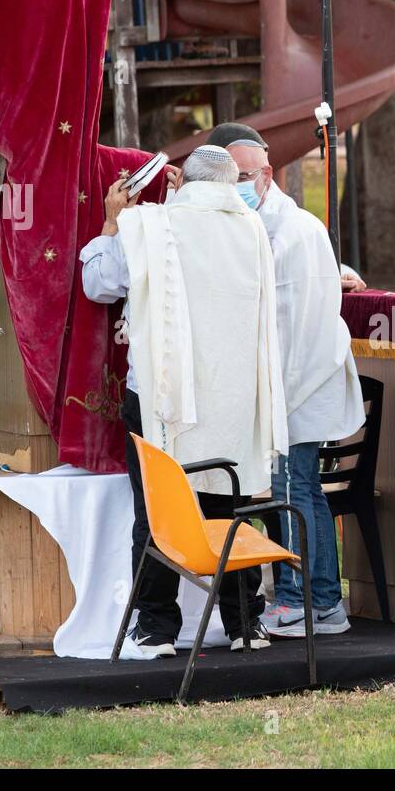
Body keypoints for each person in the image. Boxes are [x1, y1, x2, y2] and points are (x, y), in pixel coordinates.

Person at [80, 144, 287, 656]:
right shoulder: (252, 228)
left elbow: (98, 284)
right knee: (228, 504)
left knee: (157, 512)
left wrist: (111, 223)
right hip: (233, 395)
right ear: (229, 182)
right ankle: (245, 624)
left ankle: (156, 628)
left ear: (182, 180)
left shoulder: (151, 226)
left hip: (160, 395)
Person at [210, 122, 366, 638]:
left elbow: (291, 326)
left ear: (267, 174)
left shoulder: (290, 230)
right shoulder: (265, 223)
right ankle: (322, 603)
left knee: (294, 489)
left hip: (297, 384)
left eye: (244, 176)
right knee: (302, 491)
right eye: (226, 178)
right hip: (289, 387)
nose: (236, 186)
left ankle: (301, 600)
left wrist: (274, 402)